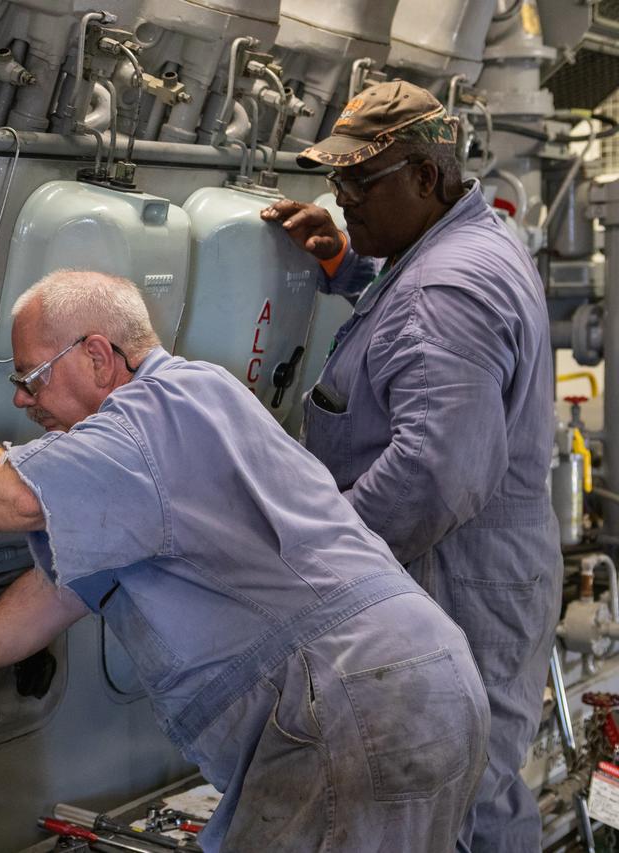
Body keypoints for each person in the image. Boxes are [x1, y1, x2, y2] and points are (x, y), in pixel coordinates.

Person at [0, 269, 490, 852]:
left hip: (351, 706)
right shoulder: (181, 419)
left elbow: (19, 496)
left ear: (97, 355)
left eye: (32, 377)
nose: (23, 401)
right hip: (409, 688)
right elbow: (61, 588)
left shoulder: (157, 414)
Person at [260, 80, 562, 852]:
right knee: (474, 789)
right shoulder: (467, 244)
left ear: (426, 178)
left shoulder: (444, 287)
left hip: (451, 581)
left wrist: (311, 554)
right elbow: (420, 339)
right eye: (336, 180)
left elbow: (435, 477)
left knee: (443, 804)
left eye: (360, 182)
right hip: (485, 573)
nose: (342, 198)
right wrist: (349, 265)